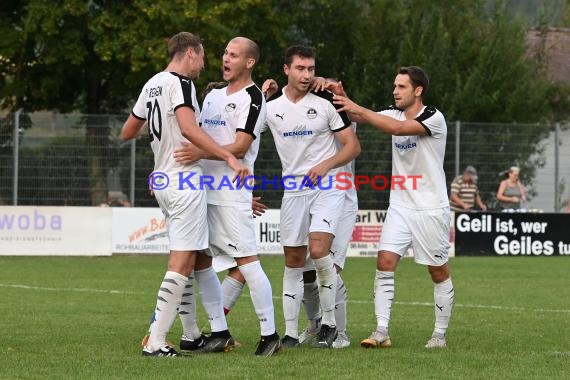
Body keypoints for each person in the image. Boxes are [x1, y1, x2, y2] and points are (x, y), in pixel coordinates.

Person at [121, 32, 248, 357]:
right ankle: (156, 339)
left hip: (165, 180)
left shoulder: (152, 83)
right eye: (203, 56)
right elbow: (190, 129)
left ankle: (191, 334)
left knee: (192, 258)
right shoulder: (180, 83)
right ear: (190, 53)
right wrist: (228, 156)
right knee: (181, 262)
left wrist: (162, 149)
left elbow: (127, 131)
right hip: (183, 182)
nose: (204, 64)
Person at [172, 37, 281, 356]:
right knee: (202, 263)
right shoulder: (213, 95)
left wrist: (199, 151)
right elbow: (202, 134)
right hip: (203, 192)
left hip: (232, 195)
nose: (226, 59)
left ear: (250, 62)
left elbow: (242, 145)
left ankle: (270, 335)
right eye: (224, 54)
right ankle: (219, 332)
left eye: (234, 55)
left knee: (247, 262)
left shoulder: (254, 97)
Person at [333, 66, 454, 349]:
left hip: (430, 208)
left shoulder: (433, 117)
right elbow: (356, 115)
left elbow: (397, 129)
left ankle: (439, 335)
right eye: (395, 86)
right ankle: (381, 330)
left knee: (438, 271)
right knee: (384, 262)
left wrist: (355, 106)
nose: (395, 91)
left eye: (401, 87)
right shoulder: (392, 112)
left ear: (418, 90)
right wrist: (341, 97)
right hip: (399, 205)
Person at [263, 45, 360, 349]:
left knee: (319, 250)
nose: (306, 75)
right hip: (294, 192)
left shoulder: (326, 102)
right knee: (294, 262)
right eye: (300, 69)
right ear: (286, 70)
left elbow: (352, 146)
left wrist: (325, 165)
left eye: (310, 69)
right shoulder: (270, 108)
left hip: (329, 186)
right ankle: (291, 333)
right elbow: (243, 138)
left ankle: (330, 325)